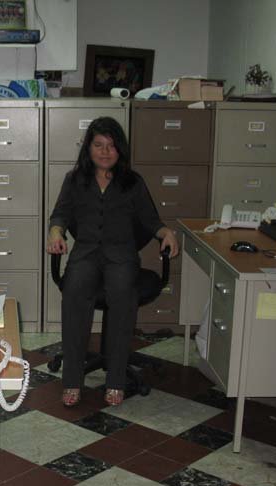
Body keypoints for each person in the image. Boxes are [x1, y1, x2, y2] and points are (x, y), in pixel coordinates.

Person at [46, 117, 179, 408]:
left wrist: (166, 233)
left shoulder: (133, 182)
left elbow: (151, 220)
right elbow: (60, 214)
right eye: (99, 145)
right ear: (88, 148)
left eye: (111, 145)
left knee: (122, 294)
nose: (105, 152)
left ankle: (116, 379)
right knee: (75, 292)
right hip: (86, 253)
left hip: (121, 255)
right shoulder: (74, 180)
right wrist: (55, 232)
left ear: (120, 149)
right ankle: (72, 380)